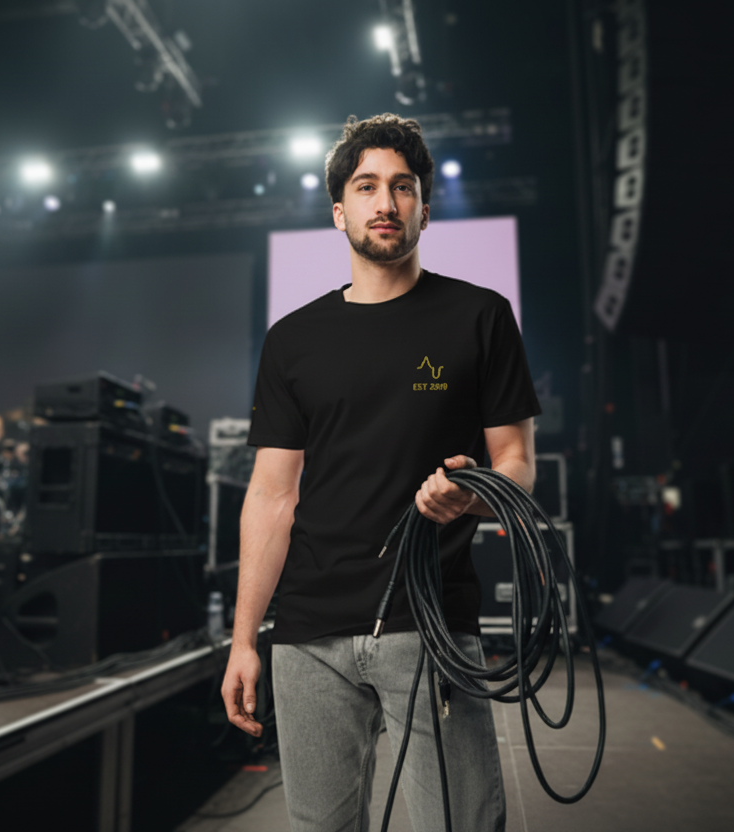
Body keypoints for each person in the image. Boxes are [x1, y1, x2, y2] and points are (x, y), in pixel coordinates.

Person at [221, 113, 541, 832]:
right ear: (340, 212)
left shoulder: (480, 317)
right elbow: (273, 496)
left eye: (402, 187)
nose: (385, 203)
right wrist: (245, 639)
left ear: (425, 207)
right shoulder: (292, 340)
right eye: (366, 187)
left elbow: (517, 466)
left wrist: (474, 494)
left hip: (427, 625)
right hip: (307, 637)